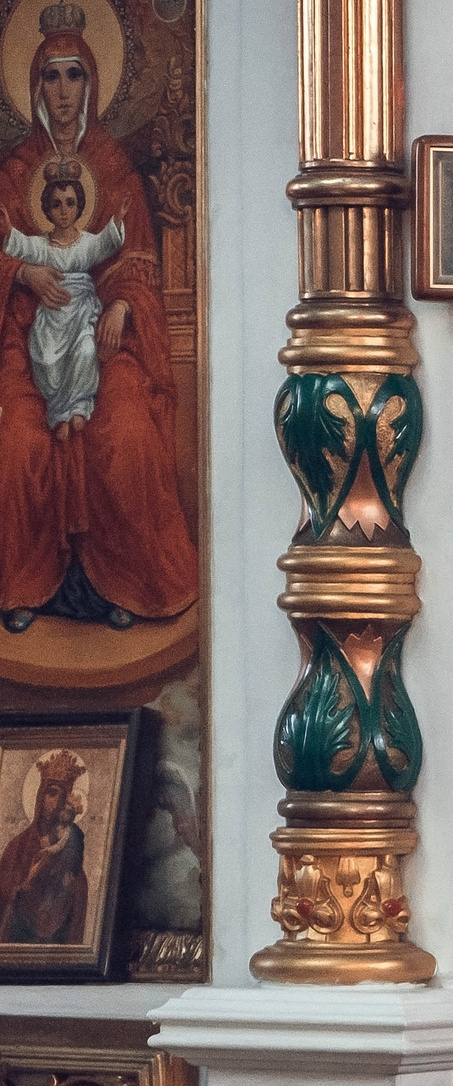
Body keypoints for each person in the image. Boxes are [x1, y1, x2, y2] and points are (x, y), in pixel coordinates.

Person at [0, 9, 199, 634]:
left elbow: (132, 256)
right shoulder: (14, 173)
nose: (63, 92)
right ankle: (25, 585)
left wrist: (120, 304)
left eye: (75, 76)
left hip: (103, 334)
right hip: (27, 338)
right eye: (52, 77)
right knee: (19, 445)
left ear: (91, 83)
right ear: (35, 86)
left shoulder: (113, 167)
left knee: (127, 434)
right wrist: (23, 274)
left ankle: (126, 584)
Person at [5, 162, 121, 434]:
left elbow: (106, 242)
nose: (64, 210)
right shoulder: (41, 246)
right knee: (46, 358)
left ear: (80, 206)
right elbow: (21, 245)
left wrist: (117, 221)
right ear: (47, 209)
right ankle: (58, 410)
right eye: (56, 204)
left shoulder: (87, 242)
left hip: (81, 312)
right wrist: (8, 229)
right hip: (52, 315)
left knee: (85, 351)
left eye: (70, 203)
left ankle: (79, 406)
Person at [0, 748, 89, 945]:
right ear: (41, 795)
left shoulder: (70, 844)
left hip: (55, 945)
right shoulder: (17, 847)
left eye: (62, 796)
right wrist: (20, 892)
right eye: (52, 793)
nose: (56, 803)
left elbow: (75, 890)